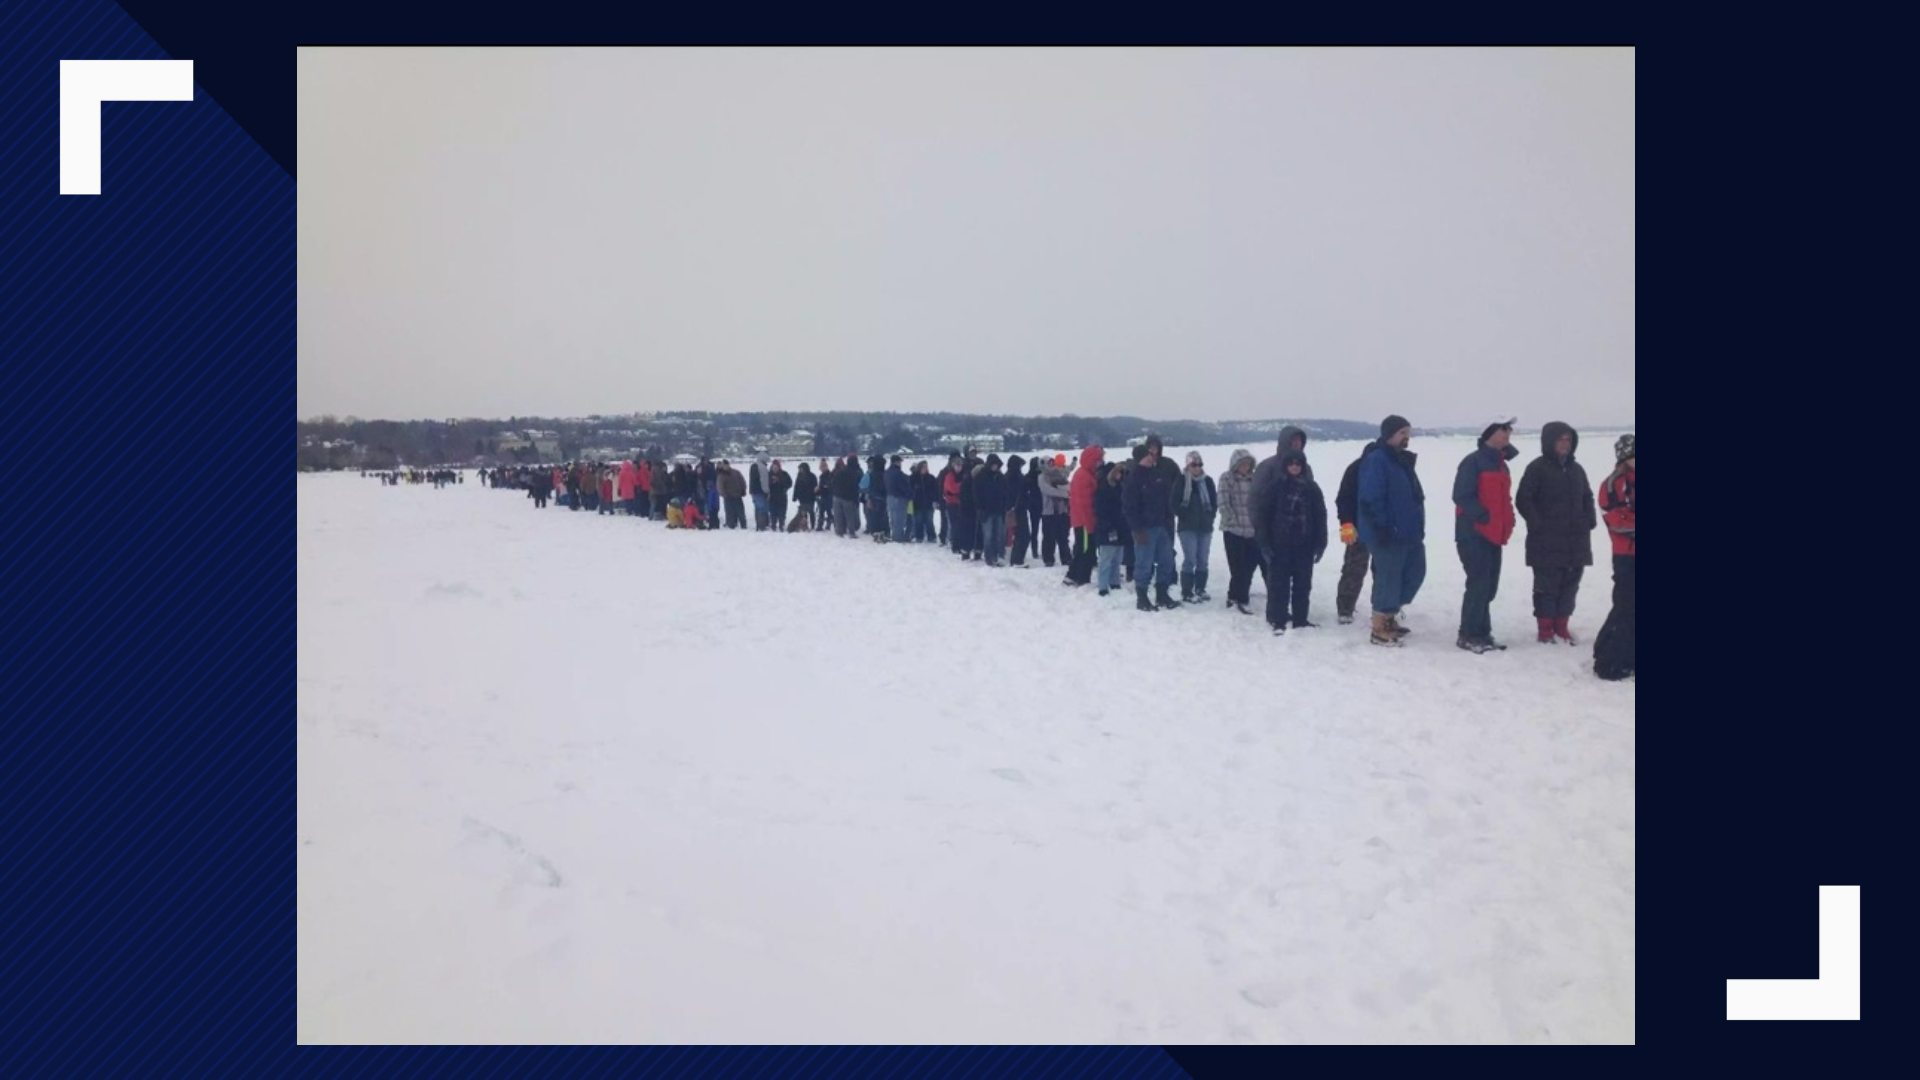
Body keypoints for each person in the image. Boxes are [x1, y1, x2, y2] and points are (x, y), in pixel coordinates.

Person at [1516, 421, 1598, 645]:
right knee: (1547, 586)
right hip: (1546, 540)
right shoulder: (1537, 468)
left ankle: (1561, 626)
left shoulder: (1576, 469)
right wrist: (1537, 523)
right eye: (1561, 440)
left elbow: (1587, 496)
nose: (1565, 444)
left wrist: (1589, 519)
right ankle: (1545, 630)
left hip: (1576, 539)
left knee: (1570, 584)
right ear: (1549, 442)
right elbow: (1524, 499)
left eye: (1568, 440)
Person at [1357, 416, 1426, 647]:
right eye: (1402, 433)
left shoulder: (1400, 460)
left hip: (1409, 530)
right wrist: (1383, 527)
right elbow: (1370, 497)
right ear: (1389, 434)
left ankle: (1389, 615)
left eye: (1408, 432)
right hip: (1387, 532)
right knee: (1389, 578)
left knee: (1415, 573)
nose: (1406, 437)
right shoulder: (1377, 460)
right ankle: (1380, 626)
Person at [1452, 419, 1520, 653]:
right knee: (1478, 584)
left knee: (1489, 586)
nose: (1508, 436)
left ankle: (1482, 632)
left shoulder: (1502, 465)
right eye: (1504, 432)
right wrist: (1483, 517)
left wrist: (1508, 519)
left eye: (1509, 432)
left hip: (1494, 535)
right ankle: (1468, 634)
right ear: (1490, 435)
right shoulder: (1473, 462)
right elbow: (1461, 495)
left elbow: (1505, 499)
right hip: (1473, 534)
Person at [1255, 449, 1328, 634]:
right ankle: (1277, 619)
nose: (1294, 467)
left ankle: (1300, 619)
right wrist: (1264, 543)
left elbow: (1320, 516)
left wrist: (1321, 543)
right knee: (1279, 585)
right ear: (1285, 466)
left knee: (1303, 585)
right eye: (1291, 464)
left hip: (1305, 545)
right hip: (1279, 545)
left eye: (1298, 464)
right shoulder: (1274, 487)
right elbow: (1262, 516)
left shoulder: (1312, 488)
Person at [1592, 435, 1635, 680]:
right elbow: (1616, 520)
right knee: (1625, 607)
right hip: (1626, 556)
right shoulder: (1612, 484)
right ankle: (1609, 660)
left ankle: (1629, 656)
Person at [1122, 435, 1181, 611]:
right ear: (1139, 459)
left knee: (1167, 561)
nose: (1150, 457)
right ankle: (1142, 598)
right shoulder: (1132, 479)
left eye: (1150, 455)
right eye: (1146, 456)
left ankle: (1162, 594)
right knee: (1143, 563)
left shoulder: (1158, 475)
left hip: (1162, 526)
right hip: (1143, 529)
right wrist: (1137, 528)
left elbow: (1167, 499)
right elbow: (1129, 507)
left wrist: (1169, 519)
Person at [1216, 448, 1262, 615]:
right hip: (1233, 530)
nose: (1245, 466)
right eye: (1242, 463)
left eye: (1248, 463)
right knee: (1237, 566)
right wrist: (1232, 520)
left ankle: (1242, 595)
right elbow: (1223, 501)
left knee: (1249, 566)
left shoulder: (1255, 479)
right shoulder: (1227, 478)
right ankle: (1234, 596)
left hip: (1252, 530)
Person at [1173, 450, 1217, 603]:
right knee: (1190, 558)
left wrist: (1210, 516)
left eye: (1199, 464)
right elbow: (1173, 502)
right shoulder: (1181, 480)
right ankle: (1186, 591)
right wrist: (1183, 513)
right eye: (1194, 464)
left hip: (1205, 526)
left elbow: (1213, 502)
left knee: (1203, 559)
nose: (1197, 468)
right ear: (1188, 465)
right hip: (1187, 527)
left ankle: (1200, 588)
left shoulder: (1208, 481)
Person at [1332, 449, 1370, 625]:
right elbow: (1344, 499)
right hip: (1357, 527)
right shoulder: (1356, 468)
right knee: (1354, 568)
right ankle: (1345, 608)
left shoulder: (1390, 467)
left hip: (1384, 529)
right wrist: (1346, 524)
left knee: (1384, 570)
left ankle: (1383, 610)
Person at [1063, 446, 1104, 586]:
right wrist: (1090, 524)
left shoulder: (1085, 474)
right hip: (1084, 522)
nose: (1101, 462)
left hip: (1082, 521)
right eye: (1099, 460)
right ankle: (1079, 577)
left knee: (1083, 549)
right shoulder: (1084, 477)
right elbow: (1084, 504)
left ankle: (1075, 576)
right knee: (1085, 550)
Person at [1092, 458, 1130, 595]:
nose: (1121, 475)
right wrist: (1108, 526)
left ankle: (1114, 582)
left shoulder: (1121, 488)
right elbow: (1100, 511)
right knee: (1106, 558)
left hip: (1121, 527)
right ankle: (1103, 586)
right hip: (1107, 528)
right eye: (1119, 472)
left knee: (1117, 558)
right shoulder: (1103, 489)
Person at [972, 454, 1011, 566]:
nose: (995, 467)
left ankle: (1000, 555)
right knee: (988, 535)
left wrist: (1005, 504)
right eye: (993, 465)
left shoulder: (1000, 477)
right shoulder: (980, 477)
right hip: (986, 511)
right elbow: (976, 494)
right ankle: (989, 557)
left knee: (1000, 534)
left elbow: (1005, 492)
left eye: (997, 465)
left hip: (999, 510)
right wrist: (980, 508)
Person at [1038, 453, 1072, 567]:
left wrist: (1065, 492)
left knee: (1063, 536)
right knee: (1048, 537)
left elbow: (1068, 486)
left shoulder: (1059, 475)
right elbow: (1048, 490)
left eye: (1052, 463)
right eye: (1049, 463)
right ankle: (1048, 559)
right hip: (1049, 512)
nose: (1052, 465)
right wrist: (1065, 494)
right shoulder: (1042, 477)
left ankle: (1066, 558)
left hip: (1062, 511)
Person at [1005, 456, 1033, 565]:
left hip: (1016, 509)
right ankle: (1017, 560)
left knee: (1021, 535)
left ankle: (1017, 559)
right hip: (1017, 510)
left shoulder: (1010, 476)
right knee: (1023, 535)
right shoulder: (1015, 477)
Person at [833, 454, 863, 538]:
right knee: (850, 516)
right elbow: (858, 486)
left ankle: (839, 531)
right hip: (848, 498)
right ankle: (851, 532)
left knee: (838, 515)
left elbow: (834, 482)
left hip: (837, 496)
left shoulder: (841, 471)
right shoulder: (856, 472)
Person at [910, 461, 940, 542]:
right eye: (923, 467)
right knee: (918, 521)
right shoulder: (913, 478)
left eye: (926, 467)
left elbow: (936, 490)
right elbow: (910, 490)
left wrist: (936, 500)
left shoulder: (931, 478)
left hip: (929, 503)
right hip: (917, 503)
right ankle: (919, 536)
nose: (925, 469)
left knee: (929, 521)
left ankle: (931, 536)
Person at [886, 455, 912, 543]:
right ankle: (898, 537)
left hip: (889, 497)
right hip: (899, 498)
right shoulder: (898, 473)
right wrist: (909, 494)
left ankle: (894, 535)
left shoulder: (887, 473)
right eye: (900, 462)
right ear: (896, 462)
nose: (901, 463)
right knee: (899, 519)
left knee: (893, 518)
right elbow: (903, 486)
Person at [719, 459, 748, 529]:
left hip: (737, 495)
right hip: (728, 496)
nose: (725, 467)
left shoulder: (736, 472)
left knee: (740, 511)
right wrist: (723, 494)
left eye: (726, 465)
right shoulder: (721, 476)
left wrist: (743, 489)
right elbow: (720, 486)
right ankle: (731, 524)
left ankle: (743, 524)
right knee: (729, 512)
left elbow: (742, 481)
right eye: (724, 465)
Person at [769, 459, 793, 535]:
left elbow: (789, 483)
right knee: (773, 512)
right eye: (773, 467)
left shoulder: (784, 474)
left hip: (781, 496)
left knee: (782, 512)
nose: (775, 468)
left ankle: (781, 525)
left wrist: (779, 481)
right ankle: (773, 525)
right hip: (772, 497)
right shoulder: (768, 474)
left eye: (776, 467)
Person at [750, 454, 773, 532]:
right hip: (760, 491)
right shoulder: (762, 468)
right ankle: (762, 526)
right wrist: (767, 491)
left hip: (753, 491)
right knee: (762, 509)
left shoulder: (753, 466)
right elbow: (764, 481)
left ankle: (758, 525)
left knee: (757, 508)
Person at [794, 462, 818, 531]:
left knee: (811, 512)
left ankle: (813, 525)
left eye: (801, 469)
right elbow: (796, 486)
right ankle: (804, 525)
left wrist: (816, 495)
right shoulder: (799, 476)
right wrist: (795, 496)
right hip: (802, 497)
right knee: (803, 512)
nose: (800, 470)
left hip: (811, 497)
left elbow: (815, 486)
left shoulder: (812, 476)